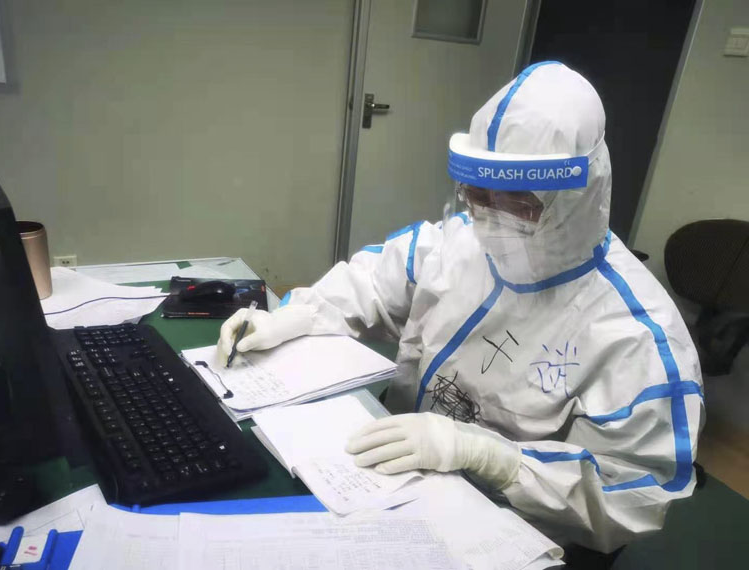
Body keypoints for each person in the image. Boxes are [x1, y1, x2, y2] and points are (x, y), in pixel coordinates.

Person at [217, 62, 704, 553]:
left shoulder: (638, 337)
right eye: (478, 195)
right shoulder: (458, 243)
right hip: (388, 479)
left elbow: (632, 494)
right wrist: (296, 316)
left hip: (510, 532)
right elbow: (372, 282)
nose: (490, 219)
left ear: (578, 196)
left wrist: (495, 458)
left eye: (517, 204)